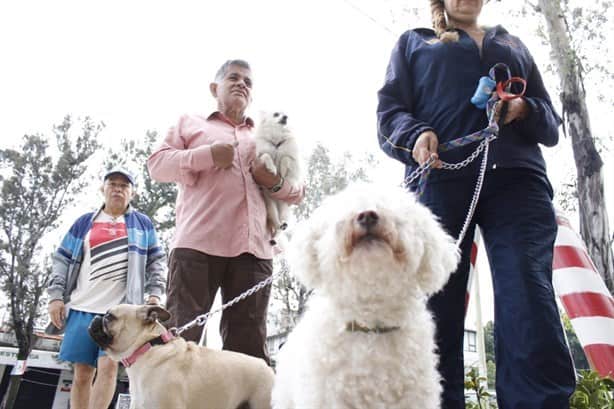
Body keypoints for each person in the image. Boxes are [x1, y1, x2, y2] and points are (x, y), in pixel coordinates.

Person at [376, 1, 576, 408]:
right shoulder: (415, 43)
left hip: (519, 182)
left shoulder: (514, 44)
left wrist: (524, 108)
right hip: (440, 181)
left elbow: (552, 125)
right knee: (434, 302)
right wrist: (414, 135)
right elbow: (389, 112)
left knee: (528, 293)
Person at [147, 59, 304, 364]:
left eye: (247, 81)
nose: (241, 84)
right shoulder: (189, 123)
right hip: (196, 247)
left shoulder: (270, 133)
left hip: (254, 252)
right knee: (177, 343)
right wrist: (207, 155)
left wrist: (272, 181)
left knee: (248, 353)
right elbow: (157, 165)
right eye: (233, 78)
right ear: (214, 87)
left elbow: (298, 190)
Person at [47, 169, 167, 409]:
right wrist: (55, 297)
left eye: (124, 185)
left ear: (132, 192)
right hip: (82, 306)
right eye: (113, 184)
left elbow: (157, 260)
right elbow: (61, 259)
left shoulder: (142, 224)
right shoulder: (84, 223)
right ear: (103, 189)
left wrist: (155, 293)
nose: (118, 189)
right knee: (82, 372)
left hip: (120, 313)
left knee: (110, 367)